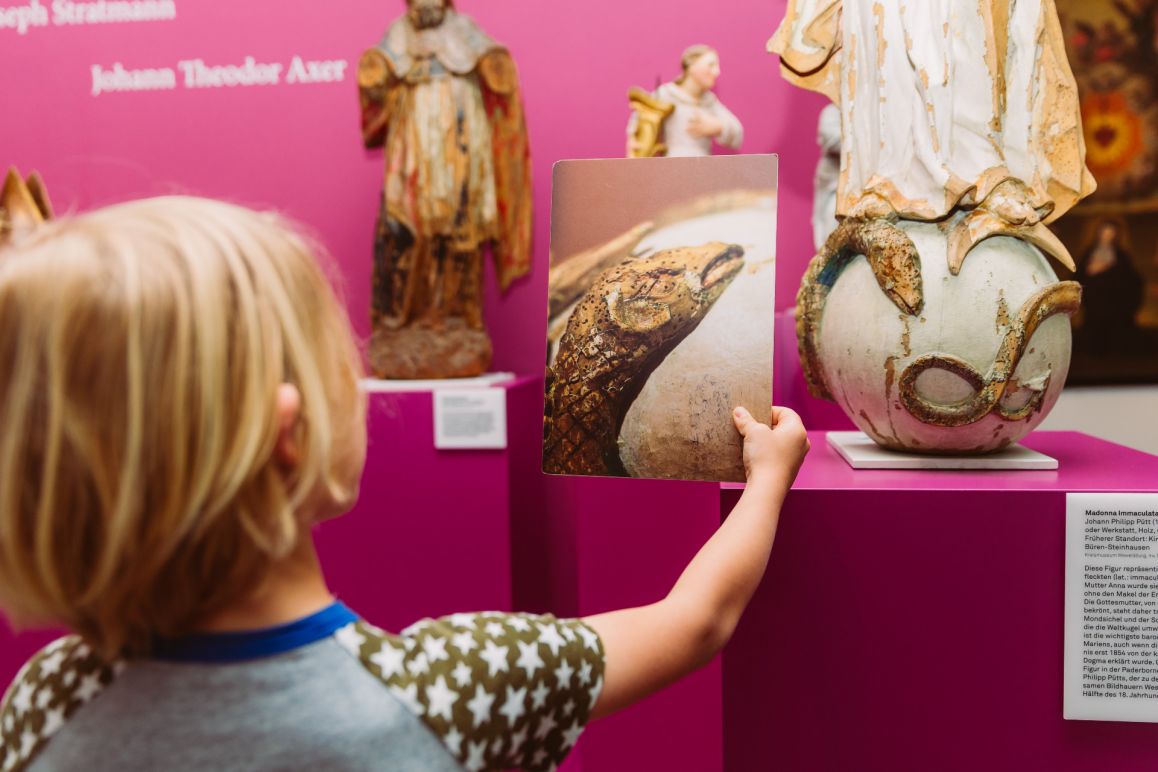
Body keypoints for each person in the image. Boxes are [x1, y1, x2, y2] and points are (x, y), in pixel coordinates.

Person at [0, 197, 809, 772]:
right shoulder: (462, 685)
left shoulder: (44, 702)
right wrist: (767, 480)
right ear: (288, 437)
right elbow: (695, 622)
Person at [358, 0, 532, 379]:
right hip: (414, 140)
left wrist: (491, 64)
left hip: (458, 139)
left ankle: (455, 317)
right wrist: (374, 75)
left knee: (458, 228)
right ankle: (405, 321)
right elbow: (377, 80)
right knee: (406, 227)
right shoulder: (399, 33)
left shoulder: (465, 29)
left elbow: (495, 71)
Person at [626, 45, 744, 158]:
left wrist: (717, 127)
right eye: (711, 65)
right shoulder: (667, 94)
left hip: (703, 168)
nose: (716, 72)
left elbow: (737, 132)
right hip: (672, 166)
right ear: (692, 66)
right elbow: (640, 119)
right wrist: (635, 142)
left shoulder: (709, 101)